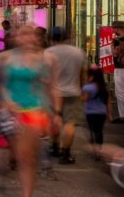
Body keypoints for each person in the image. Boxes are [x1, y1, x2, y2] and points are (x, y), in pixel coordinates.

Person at [0, 25, 59, 197]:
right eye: (22, 34)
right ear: (16, 37)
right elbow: (0, 84)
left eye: (30, 33)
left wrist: (55, 113)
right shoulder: (5, 57)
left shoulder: (47, 58)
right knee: (18, 154)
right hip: (11, 112)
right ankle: (11, 172)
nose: (27, 37)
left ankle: (27, 193)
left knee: (27, 157)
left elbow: (51, 87)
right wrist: (6, 101)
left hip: (35, 110)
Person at [44, 27, 86, 163]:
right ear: (67, 37)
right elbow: (82, 73)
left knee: (53, 121)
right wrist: (82, 89)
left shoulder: (47, 53)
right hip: (73, 92)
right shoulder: (78, 52)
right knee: (69, 124)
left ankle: (53, 147)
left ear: (51, 38)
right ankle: (65, 154)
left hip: (52, 93)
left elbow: (45, 75)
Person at [82, 66, 109, 154]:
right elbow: (108, 102)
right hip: (102, 113)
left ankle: (94, 142)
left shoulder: (87, 87)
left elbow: (84, 99)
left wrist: (79, 95)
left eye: (87, 76)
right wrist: (109, 114)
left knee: (92, 129)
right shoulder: (103, 88)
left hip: (90, 113)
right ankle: (99, 147)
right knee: (99, 130)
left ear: (92, 77)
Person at [112, 21, 124, 123]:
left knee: (120, 92)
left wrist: (112, 45)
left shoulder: (117, 40)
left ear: (117, 28)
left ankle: (123, 116)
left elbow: (115, 54)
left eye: (114, 28)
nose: (113, 30)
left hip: (120, 68)